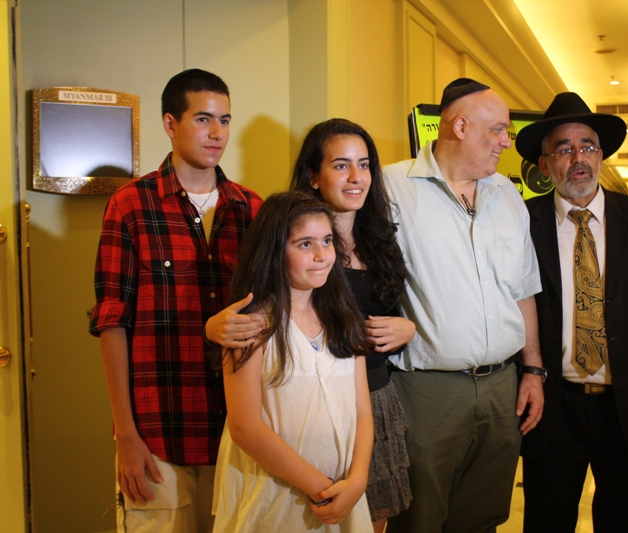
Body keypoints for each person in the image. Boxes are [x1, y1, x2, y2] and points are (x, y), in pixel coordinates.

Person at [207, 118, 414, 533]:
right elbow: (248, 425)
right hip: (288, 443)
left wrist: (408, 330)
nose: (356, 176)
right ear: (313, 176)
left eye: (364, 164)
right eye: (341, 165)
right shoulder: (263, 315)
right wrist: (216, 326)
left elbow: (393, 313)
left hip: (362, 407)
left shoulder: (377, 244)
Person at [88, 68, 263, 532]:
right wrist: (125, 434)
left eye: (225, 120)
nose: (217, 133)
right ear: (170, 123)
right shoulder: (131, 205)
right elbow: (111, 323)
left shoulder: (252, 209)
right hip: (158, 431)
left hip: (238, 433)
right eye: (203, 119)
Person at [382, 78, 545, 533]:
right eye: (497, 131)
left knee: (483, 519)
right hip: (427, 393)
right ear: (459, 126)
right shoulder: (391, 187)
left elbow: (523, 288)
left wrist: (533, 369)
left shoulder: (508, 195)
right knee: (419, 519)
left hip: (502, 389)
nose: (505, 143)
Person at [514, 92, 628, 533]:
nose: (577, 158)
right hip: (552, 405)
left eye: (586, 145)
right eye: (563, 149)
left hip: (627, 403)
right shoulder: (521, 223)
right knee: (547, 521)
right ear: (545, 164)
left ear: (601, 154)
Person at [210, 191, 373, 532]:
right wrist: (320, 488)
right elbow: (245, 427)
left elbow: (361, 412)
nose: (321, 255)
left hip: (343, 493)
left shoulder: (344, 319)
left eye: (327, 241)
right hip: (277, 498)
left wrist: (357, 481)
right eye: (304, 244)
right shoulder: (251, 325)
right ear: (274, 252)